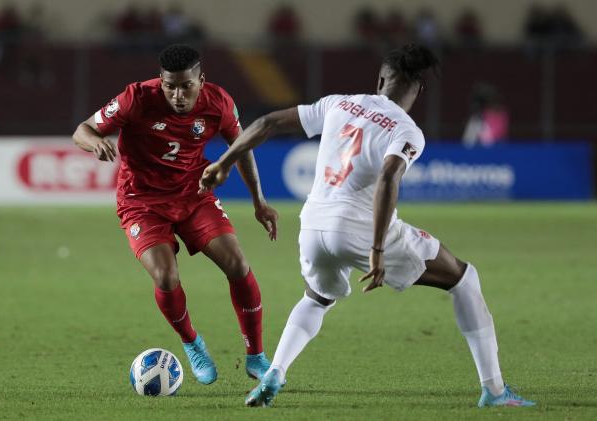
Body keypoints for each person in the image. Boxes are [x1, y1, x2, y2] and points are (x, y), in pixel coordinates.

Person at [200, 43, 535, 408]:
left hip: (313, 227)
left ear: (380, 80)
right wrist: (376, 251)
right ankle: (495, 392)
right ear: (418, 90)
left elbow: (266, 123)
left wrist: (225, 162)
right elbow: (390, 176)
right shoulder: (408, 131)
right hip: (360, 229)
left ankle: (275, 372)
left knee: (317, 297)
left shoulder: (337, 104)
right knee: (463, 278)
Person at [72, 44, 277, 385]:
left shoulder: (219, 103)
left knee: (238, 264)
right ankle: (192, 343)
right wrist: (95, 143)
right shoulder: (135, 98)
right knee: (165, 276)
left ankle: (256, 356)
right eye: (170, 86)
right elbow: (82, 129)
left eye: (186, 86)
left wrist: (259, 202)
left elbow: (241, 148)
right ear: (161, 80)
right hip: (142, 202)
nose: (177, 94)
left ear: (201, 79)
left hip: (193, 195)